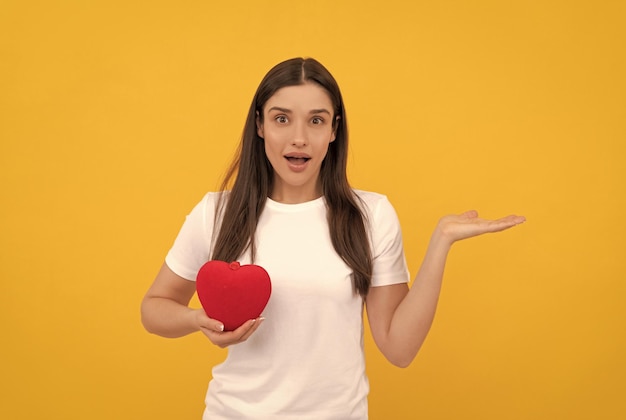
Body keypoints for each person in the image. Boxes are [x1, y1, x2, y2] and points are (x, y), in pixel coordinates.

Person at [141, 57, 525, 419]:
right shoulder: (217, 212)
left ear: (334, 129)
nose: (299, 138)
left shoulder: (369, 216)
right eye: (281, 119)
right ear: (260, 125)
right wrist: (197, 319)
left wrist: (441, 242)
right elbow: (154, 308)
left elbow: (399, 348)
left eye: (316, 121)